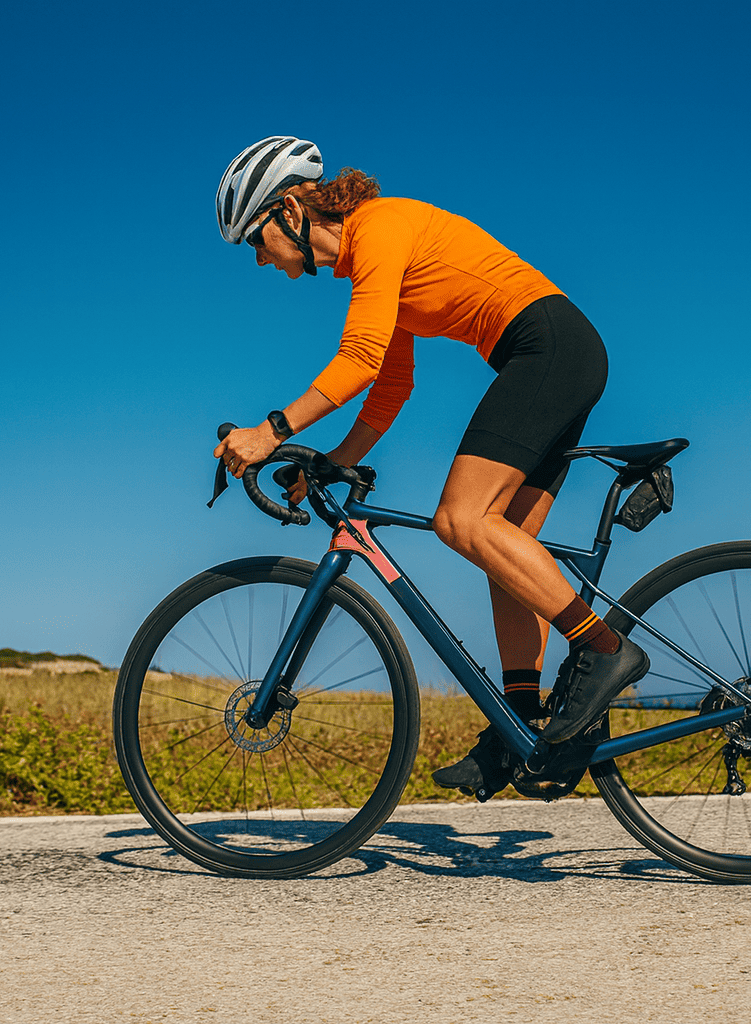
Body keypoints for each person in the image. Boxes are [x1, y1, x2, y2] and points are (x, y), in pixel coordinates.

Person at [211, 136, 648, 797]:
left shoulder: (378, 228)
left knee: (460, 520)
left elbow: (358, 358)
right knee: (503, 545)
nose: (258, 258)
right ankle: (520, 726)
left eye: (254, 239)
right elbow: (391, 384)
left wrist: (271, 431)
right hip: (555, 354)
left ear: (290, 210)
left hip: (547, 348)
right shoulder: (370, 260)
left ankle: (604, 650)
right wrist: (333, 463)